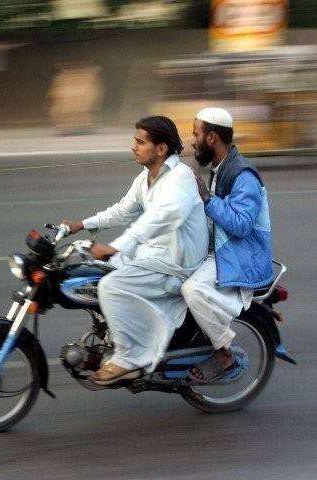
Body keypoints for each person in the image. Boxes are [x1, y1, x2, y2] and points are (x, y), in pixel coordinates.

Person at [62, 116, 208, 385]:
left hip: (175, 263)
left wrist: (115, 247)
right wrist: (81, 225)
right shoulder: (146, 178)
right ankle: (116, 337)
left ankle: (130, 359)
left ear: (161, 149)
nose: (133, 147)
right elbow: (123, 210)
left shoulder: (180, 178)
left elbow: (160, 219)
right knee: (94, 273)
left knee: (110, 286)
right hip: (154, 254)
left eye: (140, 142)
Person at [181, 107, 273, 383]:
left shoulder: (243, 174)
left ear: (211, 138)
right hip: (222, 248)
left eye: (196, 133)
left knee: (192, 289)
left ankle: (224, 352)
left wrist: (207, 199)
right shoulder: (220, 167)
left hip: (243, 255)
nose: (192, 139)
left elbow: (242, 225)